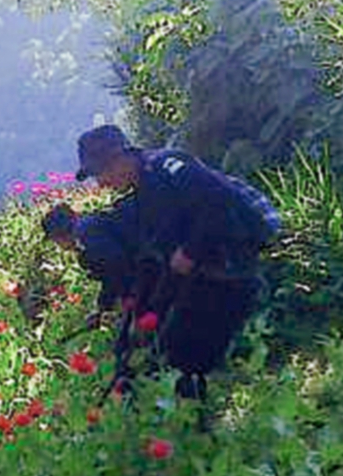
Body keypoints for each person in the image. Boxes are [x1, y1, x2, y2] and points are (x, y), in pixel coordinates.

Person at [72, 124, 281, 400]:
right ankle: (189, 413)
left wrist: (190, 251)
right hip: (208, 271)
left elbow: (219, 204)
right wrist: (147, 316)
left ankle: (202, 417)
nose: (101, 184)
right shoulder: (143, 197)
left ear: (120, 158)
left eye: (101, 173)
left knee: (185, 359)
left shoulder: (169, 166)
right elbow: (163, 262)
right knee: (171, 353)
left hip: (234, 266)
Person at [42, 200, 139, 325]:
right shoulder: (90, 225)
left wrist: (103, 307)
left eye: (55, 241)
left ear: (59, 236)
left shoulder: (88, 241)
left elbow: (116, 271)